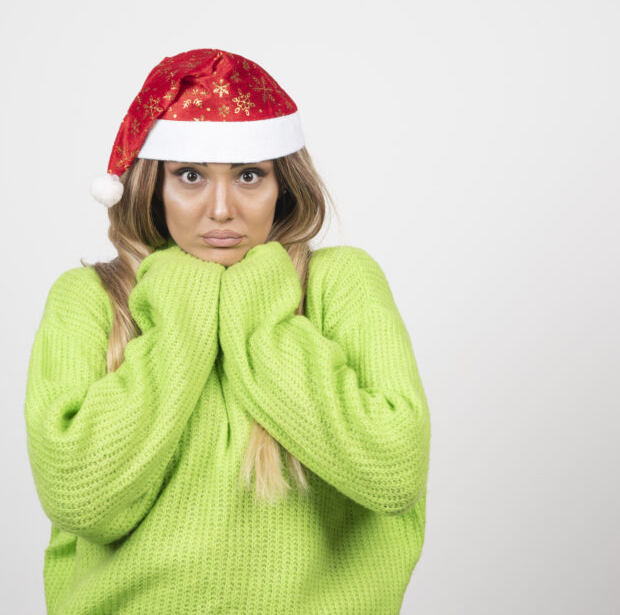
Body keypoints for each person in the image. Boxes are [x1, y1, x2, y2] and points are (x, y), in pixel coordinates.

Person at [24, 48, 431, 614]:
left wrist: (258, 302)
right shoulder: (90, 300)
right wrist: (185, 303)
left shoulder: (341, 283)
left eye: (248, 176)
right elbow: (81, 499)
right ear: (153, 186)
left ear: (282, 186)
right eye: (190, 177)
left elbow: (393, 472)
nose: (221, 209)